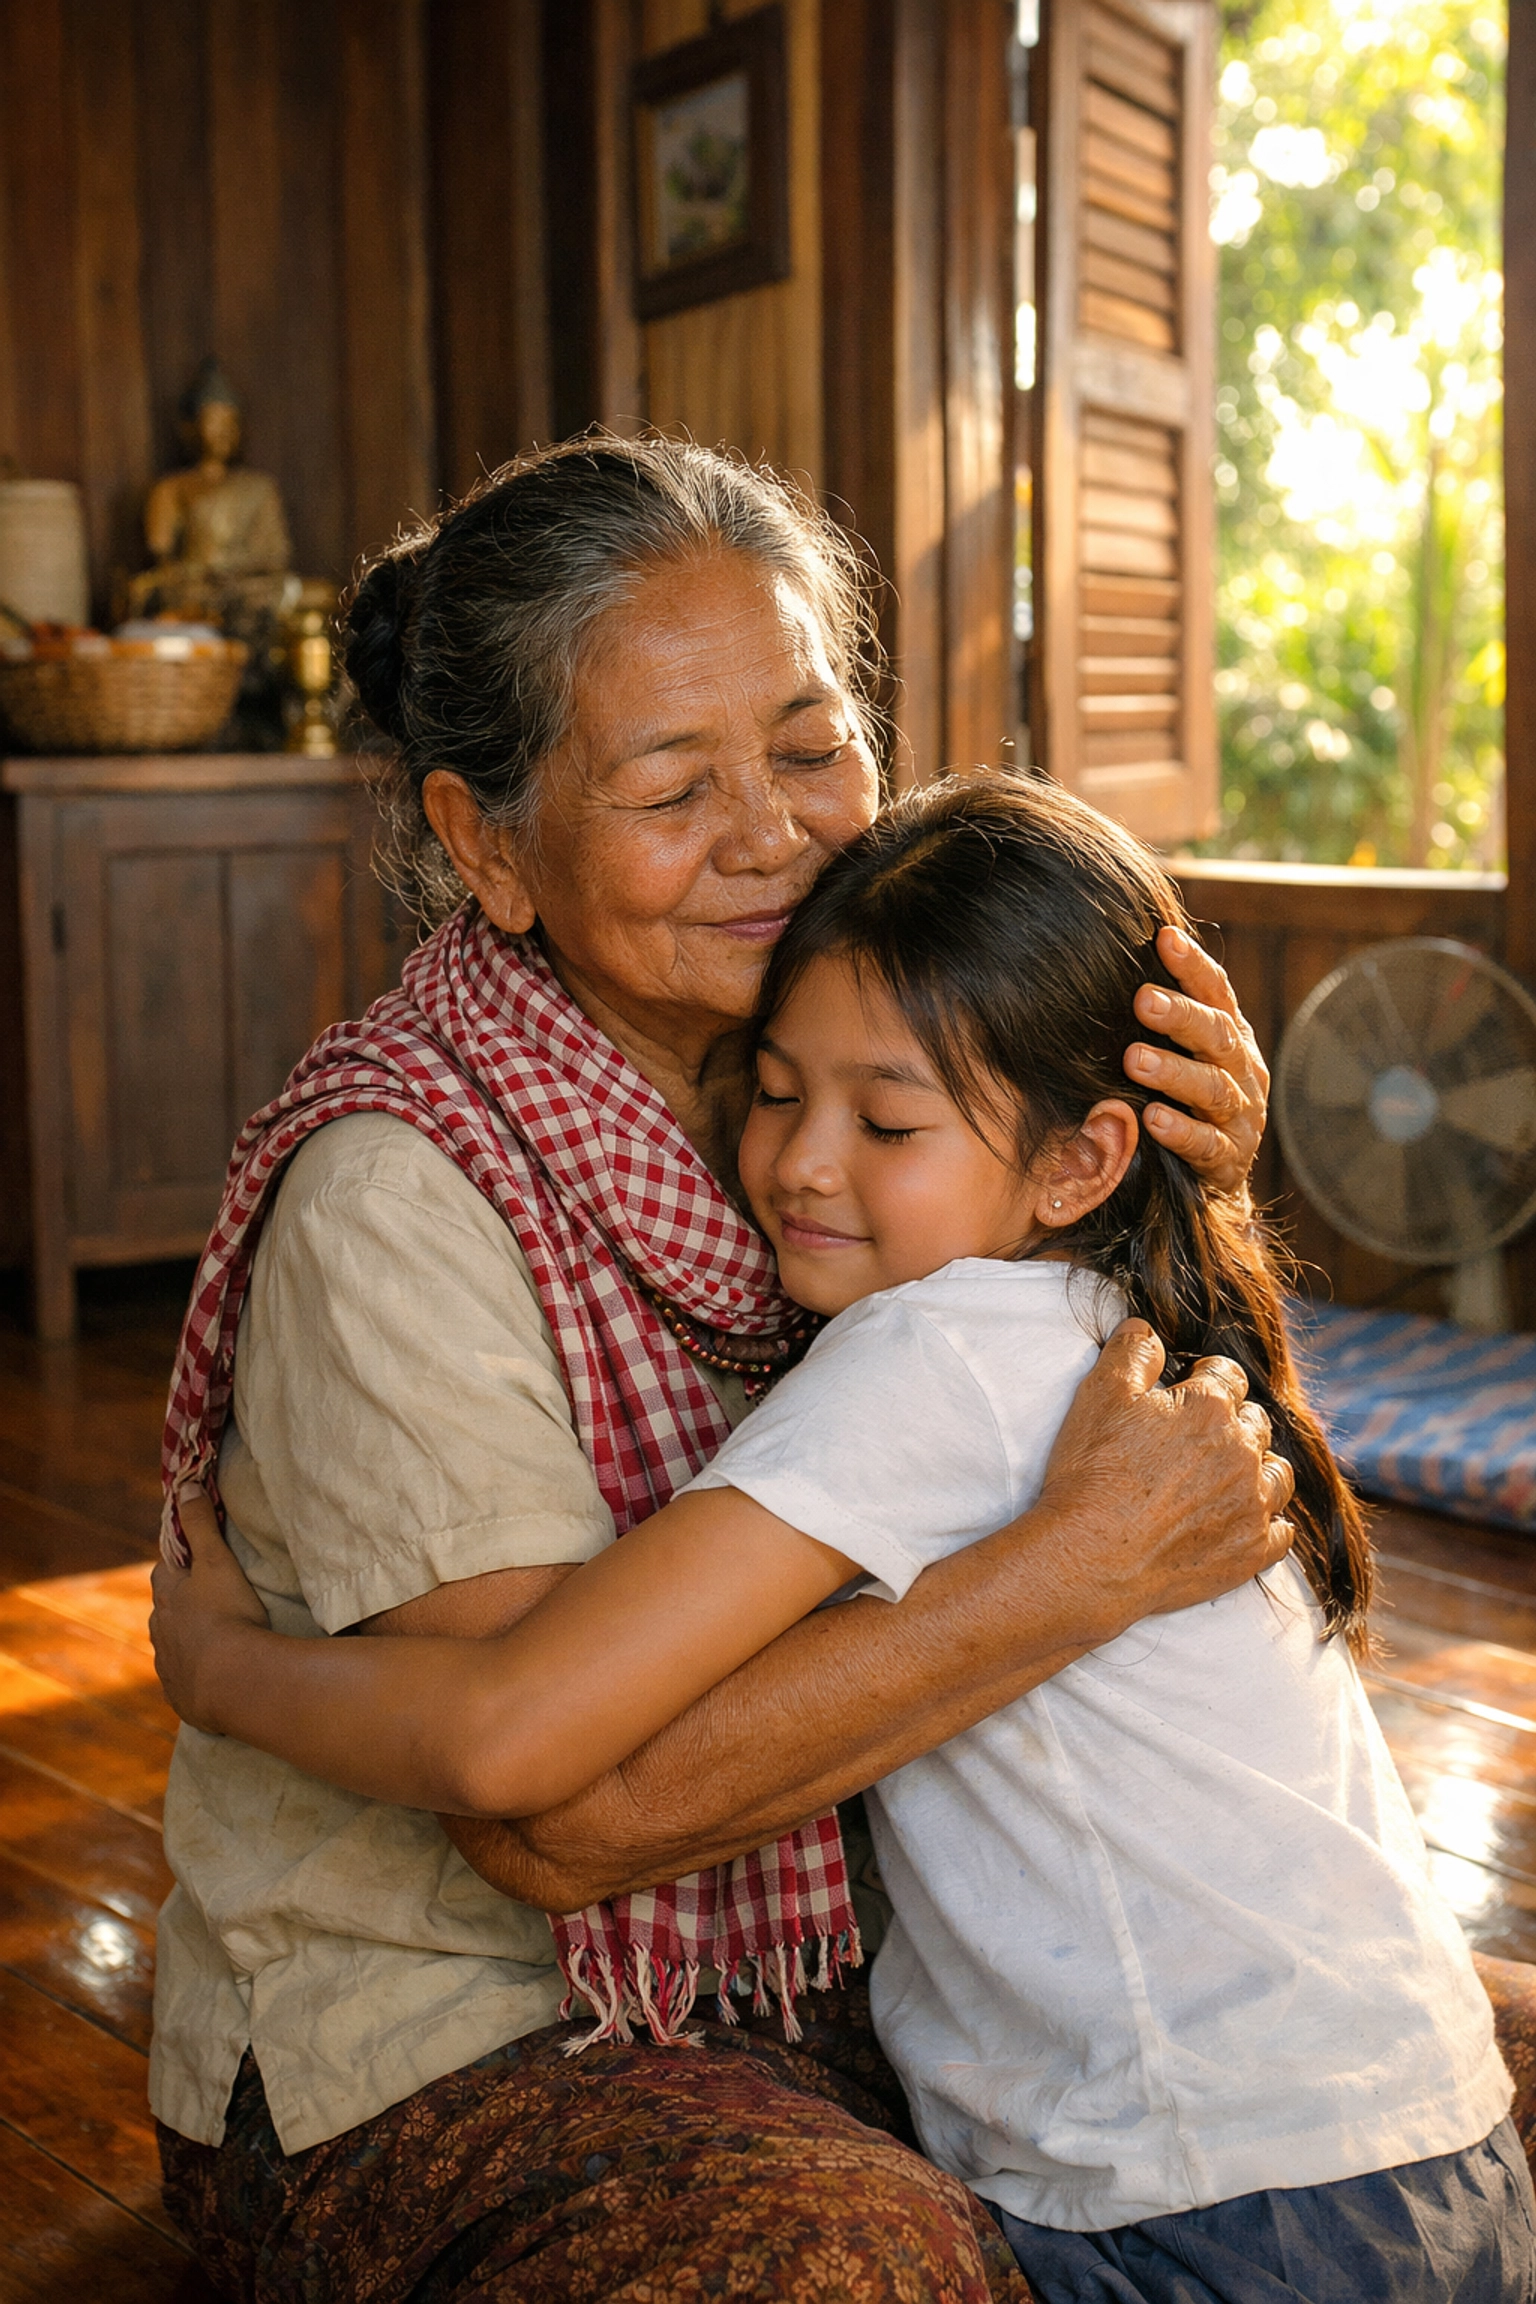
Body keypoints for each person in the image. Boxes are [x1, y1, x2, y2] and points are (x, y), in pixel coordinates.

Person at [148, 435, 1290, 2303]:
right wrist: (1065, 1581)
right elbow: (556, 1816)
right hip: (459, 2037)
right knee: (855, 2267)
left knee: (1441, 2073)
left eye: (812, 745)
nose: (775, 832)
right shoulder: (397, 1195)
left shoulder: (886, 1099)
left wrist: (1178, 1200)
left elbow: (1160, 1465)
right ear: (485, 843)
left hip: (879, 1955)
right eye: (673, 786)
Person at [156, 773, 1535, 2302]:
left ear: (1080, 1161)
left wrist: (219, 1671)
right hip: (1434, 2146)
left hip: (1197, 2200)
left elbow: (507, 1739)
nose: (805, 1163)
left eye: (884, 1121)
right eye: (776, 1090)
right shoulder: (1138, 1295)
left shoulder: (924, 1349)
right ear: (487, 836)